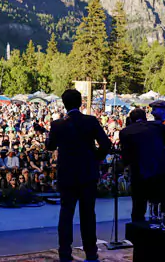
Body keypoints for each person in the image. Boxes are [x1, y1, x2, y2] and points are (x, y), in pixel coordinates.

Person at [45, 89, 111, 262]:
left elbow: (50, 146)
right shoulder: (90, 121)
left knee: (66, 214)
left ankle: (65, 254)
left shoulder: (57, 125)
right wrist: (95, 157)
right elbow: (106, 144)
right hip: (87, 174)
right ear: (80, 102)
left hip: (67, 174)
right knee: (88, 214)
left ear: (64, 104)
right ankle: (91, 253)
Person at [120, 108, 165, 222]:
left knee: (139, 208)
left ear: (131, 119)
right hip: (161, 171)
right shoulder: (159, 126)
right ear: (145, 118)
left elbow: (126, 156)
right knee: (162, 206)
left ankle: (137, 235)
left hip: (140, 172)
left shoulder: (126, 131)